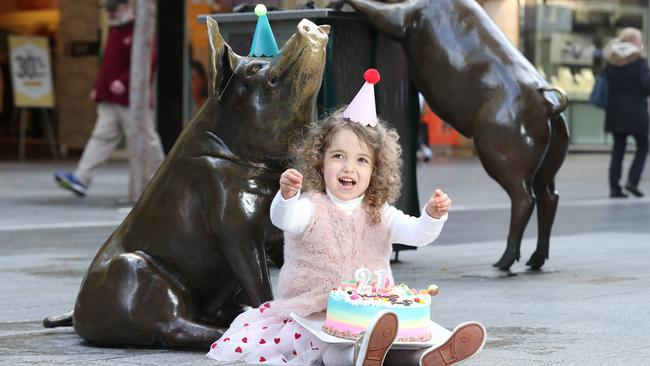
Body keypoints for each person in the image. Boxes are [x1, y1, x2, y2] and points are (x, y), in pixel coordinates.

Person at [206, 69, 485, 366]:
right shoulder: (311, 206)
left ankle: (425, 357)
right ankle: (362, 356)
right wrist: (286, 197)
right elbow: (285, 220)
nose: (348, 168)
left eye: (361, 160)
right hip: (315, 315)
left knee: (403, 340)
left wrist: (431, 216)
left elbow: (417, 233)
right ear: (320, 160)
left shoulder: (379, 213)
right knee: (333, 349)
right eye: (338, 156)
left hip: (376, 317)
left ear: (375, 171)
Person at [54, 0, 164, 201]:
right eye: (108, 11)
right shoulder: (116, 30)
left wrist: (124, 82)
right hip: (110, 98)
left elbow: (149, 62)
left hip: (132, 99)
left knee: (145, 139)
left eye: (113, 10)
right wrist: (99, 88)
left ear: (126, 7)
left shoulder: (140, 30)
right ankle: (81, 178)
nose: (110, 14)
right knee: (101, 137)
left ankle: (163, 179)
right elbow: (107, 65)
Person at [603, 27, 650, 198]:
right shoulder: (640, 62)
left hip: (615, 111)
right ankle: (632, 181)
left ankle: (614, 188)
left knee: (618, 149)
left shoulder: (611, 61)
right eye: (638, 40)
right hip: (636, 111)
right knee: (643, 146)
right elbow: (646, 87)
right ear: (633, 41)